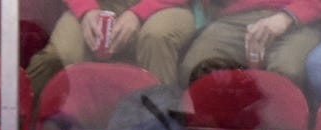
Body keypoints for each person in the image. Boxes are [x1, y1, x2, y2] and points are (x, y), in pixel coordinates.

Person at [22, 0, 195, 102]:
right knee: (60, 55)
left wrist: (138, 13)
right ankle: (15, 127)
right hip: (96, 5)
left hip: (165, 6)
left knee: (157, 37)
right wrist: (86, 9)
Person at [178, 0, 321, 88]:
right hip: (238, 15)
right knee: (196, 69)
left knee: (286, 72)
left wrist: (288, 16)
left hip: (301, 18)